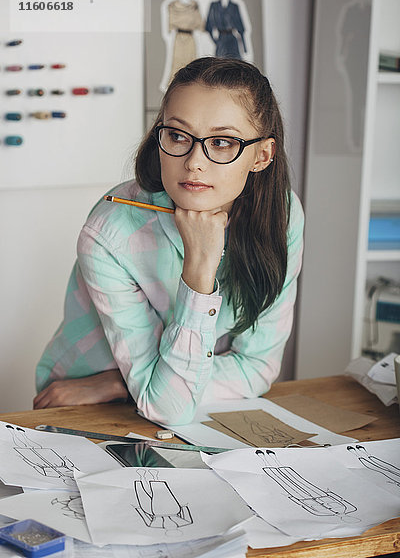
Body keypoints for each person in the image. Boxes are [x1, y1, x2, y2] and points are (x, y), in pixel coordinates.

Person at [34, 57, 304, 425]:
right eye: (178, 136)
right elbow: (168, 409)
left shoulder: (281, 214)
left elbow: (257, 368)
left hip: (164, 403)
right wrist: (200, 268)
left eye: (222, 142)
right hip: (83, 408)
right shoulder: (111, 232)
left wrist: (124, 384)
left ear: (262, 155)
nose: (194, 162)